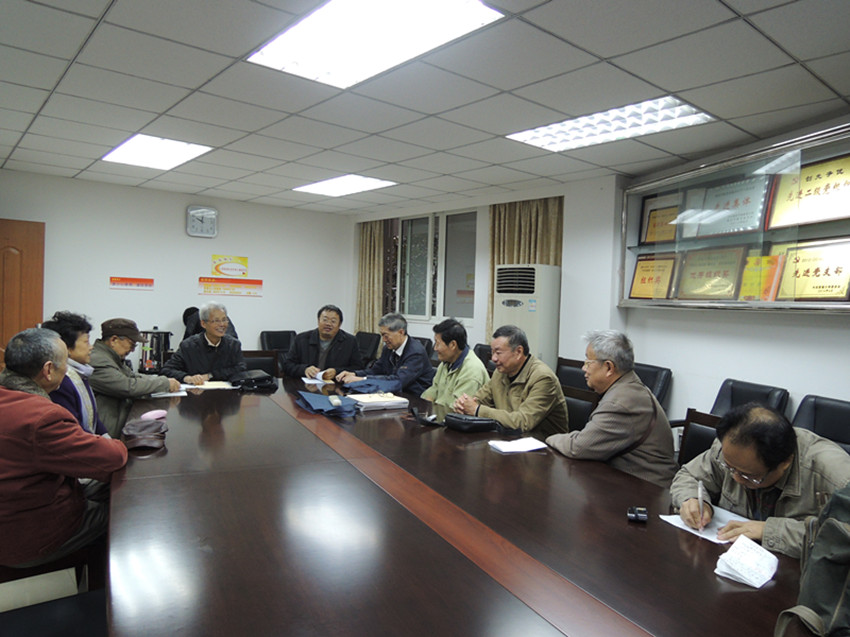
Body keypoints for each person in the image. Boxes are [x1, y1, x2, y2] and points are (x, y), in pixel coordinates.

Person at [0, 328, 127, 567]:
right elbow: (112, 457)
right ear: (48, 370)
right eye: (65, 363)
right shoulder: (41, 417)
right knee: (123, 514)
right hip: (28, 536)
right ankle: (100, 585)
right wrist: (123, 442)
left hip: (15, 512)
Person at [671, 402, 850, 558]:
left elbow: (842, 538)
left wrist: (769, 531)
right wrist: (692, 499)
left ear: (785, 462)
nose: (736, 478)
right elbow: (688, 475)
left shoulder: (837, 475)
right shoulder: (730, 447)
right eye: (730, 468)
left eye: (749, 476)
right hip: (734, 561)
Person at [545, 330, 676, 487]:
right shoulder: (627, 385)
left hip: (648, 488)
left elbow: (578, 447)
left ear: (608, 367)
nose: (584, 368)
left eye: (588, 362)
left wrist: (549, 438)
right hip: (623, 479)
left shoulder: (620, 402)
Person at [453, 325, 567, 439]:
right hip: (508, 438)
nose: (493, 358)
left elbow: (523, 422)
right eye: (492, 352)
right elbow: (479, 399)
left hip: (543, 445)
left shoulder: (543, 378)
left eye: (498, 353)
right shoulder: (501, 372)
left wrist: (477, 410)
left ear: (518, 352)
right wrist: (463, 405)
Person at [90, 318, 180, 437]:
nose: (132, 350)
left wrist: (162, 380)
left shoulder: (111, 357)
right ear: (114, 340)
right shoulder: (98, 360)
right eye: (131, 344)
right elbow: (127, 386)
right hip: (110, 433)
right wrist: (164, 383)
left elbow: (134, 376)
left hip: (121, 420)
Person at [42, 310, 108, 436]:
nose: (91, 347)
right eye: (86, 342)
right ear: (66, 348)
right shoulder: (61, 381)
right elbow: (72, 428)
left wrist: (106, 437)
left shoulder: (80, 374)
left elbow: (92, 416)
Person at [336, 313, 434, 396]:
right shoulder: (388, 348)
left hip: (414, 398)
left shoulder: (415, 352)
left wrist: (362, 379)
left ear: (401, 332)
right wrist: (354, 374)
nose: (383, 340)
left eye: (386, 336)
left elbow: (398, 381)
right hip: (392, 393)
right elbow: (375, 371)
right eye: (382, 335)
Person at [421, 318, 489, 422]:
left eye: (438, 343)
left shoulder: (472, 370)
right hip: (440, 418)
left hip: (459, 424)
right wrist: (424, 409)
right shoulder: (446, 362)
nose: (435, 348)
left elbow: (456, 409)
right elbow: (433, 389)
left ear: (453, 345)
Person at [162, 302, 246, 385]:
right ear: (203, 324)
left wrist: (211, 375)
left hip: (226, 392)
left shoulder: (233, 345)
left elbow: (241, 369)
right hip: (197, 392)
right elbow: (167, 370)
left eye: (224, 320)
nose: (222, 324)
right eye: (216, 321)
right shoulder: (188, 346)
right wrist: (187, 378)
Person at [281, 304, 364, 379]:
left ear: (339, 324)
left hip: (335, 385)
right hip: (304, 384)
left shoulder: (350, 341)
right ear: (318, 321)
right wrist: (304, 369)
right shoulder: (301, 339)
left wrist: (336, 371)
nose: (328, 324)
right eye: (325, 320)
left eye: (333, 321)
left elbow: (358, 368)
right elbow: (287, 366)